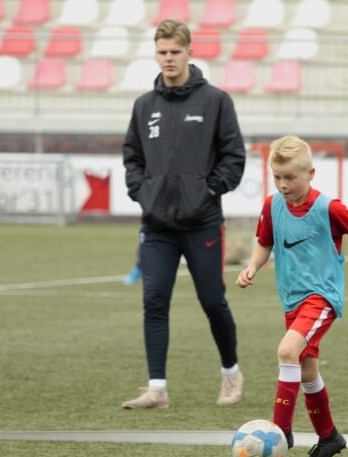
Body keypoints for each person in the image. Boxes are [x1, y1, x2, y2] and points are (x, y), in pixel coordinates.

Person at [237, 135, 348, 457]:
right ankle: (329, 437)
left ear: (311, 174)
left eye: (290, 177)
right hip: (292, 300)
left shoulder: (329, 208)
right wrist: (252, 267)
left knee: (287, 351)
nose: (283, 185)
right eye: (277, 177)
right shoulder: (272, 206)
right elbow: (264, 242)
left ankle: (280, 431)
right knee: (306, 370)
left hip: (322, 297)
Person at [121, 19, 246, 409]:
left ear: (190, 51)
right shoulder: (145, 106)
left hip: (203, 223)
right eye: (162, 52)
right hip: (157, 226)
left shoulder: (216, 101)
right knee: (154, 301)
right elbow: (132, 157)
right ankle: (156, 389)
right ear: (155, 54)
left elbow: (233, 157)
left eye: (176, 51)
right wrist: (144, 194)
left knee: (212, 301)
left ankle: (231, 374)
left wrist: (208, 190)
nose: (169, 59)